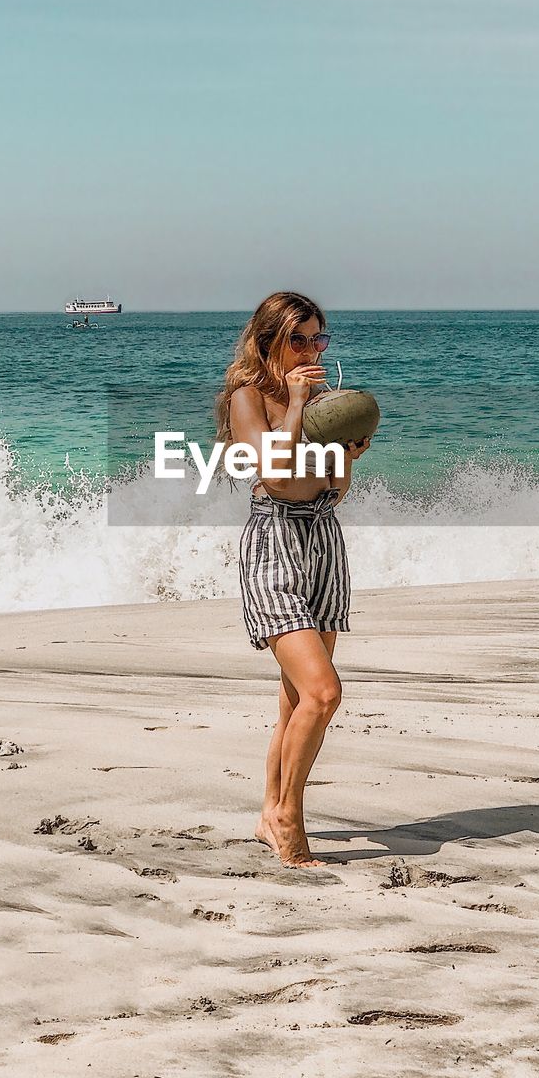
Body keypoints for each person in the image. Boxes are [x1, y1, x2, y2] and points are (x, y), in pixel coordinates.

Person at [214, 291, 370, 867]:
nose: (309, 349)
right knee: (323, 692)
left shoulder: (326, 400)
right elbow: (277, 476)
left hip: (324, 539)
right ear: (267, 340)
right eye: (298, 338)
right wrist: (301, 406)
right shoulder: (246, 398)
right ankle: (289, 818)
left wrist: (349, 452)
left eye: (317, 338)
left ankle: (267, 811)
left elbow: (335, 489)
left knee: (294, 702)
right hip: (275, 541)